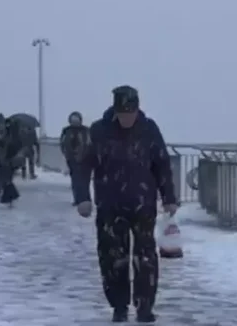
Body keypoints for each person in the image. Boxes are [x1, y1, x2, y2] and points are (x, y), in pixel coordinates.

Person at [71, 85, 178, 323]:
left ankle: (144, 307)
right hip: (110, 206)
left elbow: (162, 164)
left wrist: (169, 197)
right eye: (123, 114)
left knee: (146, 258)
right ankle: (119, 306)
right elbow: (82, 166)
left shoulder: (149, 130)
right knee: (112, 258)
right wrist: (82, 198)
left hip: (143, 206)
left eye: (131, 113)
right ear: (116, 111)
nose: (128, 118)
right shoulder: (99, 131)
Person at [0, 116, 23, 207]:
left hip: (6, 160)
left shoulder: (7, 135)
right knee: (8, 179)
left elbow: (3, 144)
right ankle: (9, 197)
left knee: (5, 179)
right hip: (12, 160)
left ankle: (9, 196)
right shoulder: (16, 136)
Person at [60, 111, 89, 202]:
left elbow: (89, 143)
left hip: (86, 159)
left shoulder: (86, 130)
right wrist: (66, 154)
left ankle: (86, 199)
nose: (75, 122)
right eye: (73, 120)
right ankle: (77, 199)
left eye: (76, 120)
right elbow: (63, 143)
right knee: (75, 179)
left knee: (85, 180)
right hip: (72, 159)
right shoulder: (66, 130)